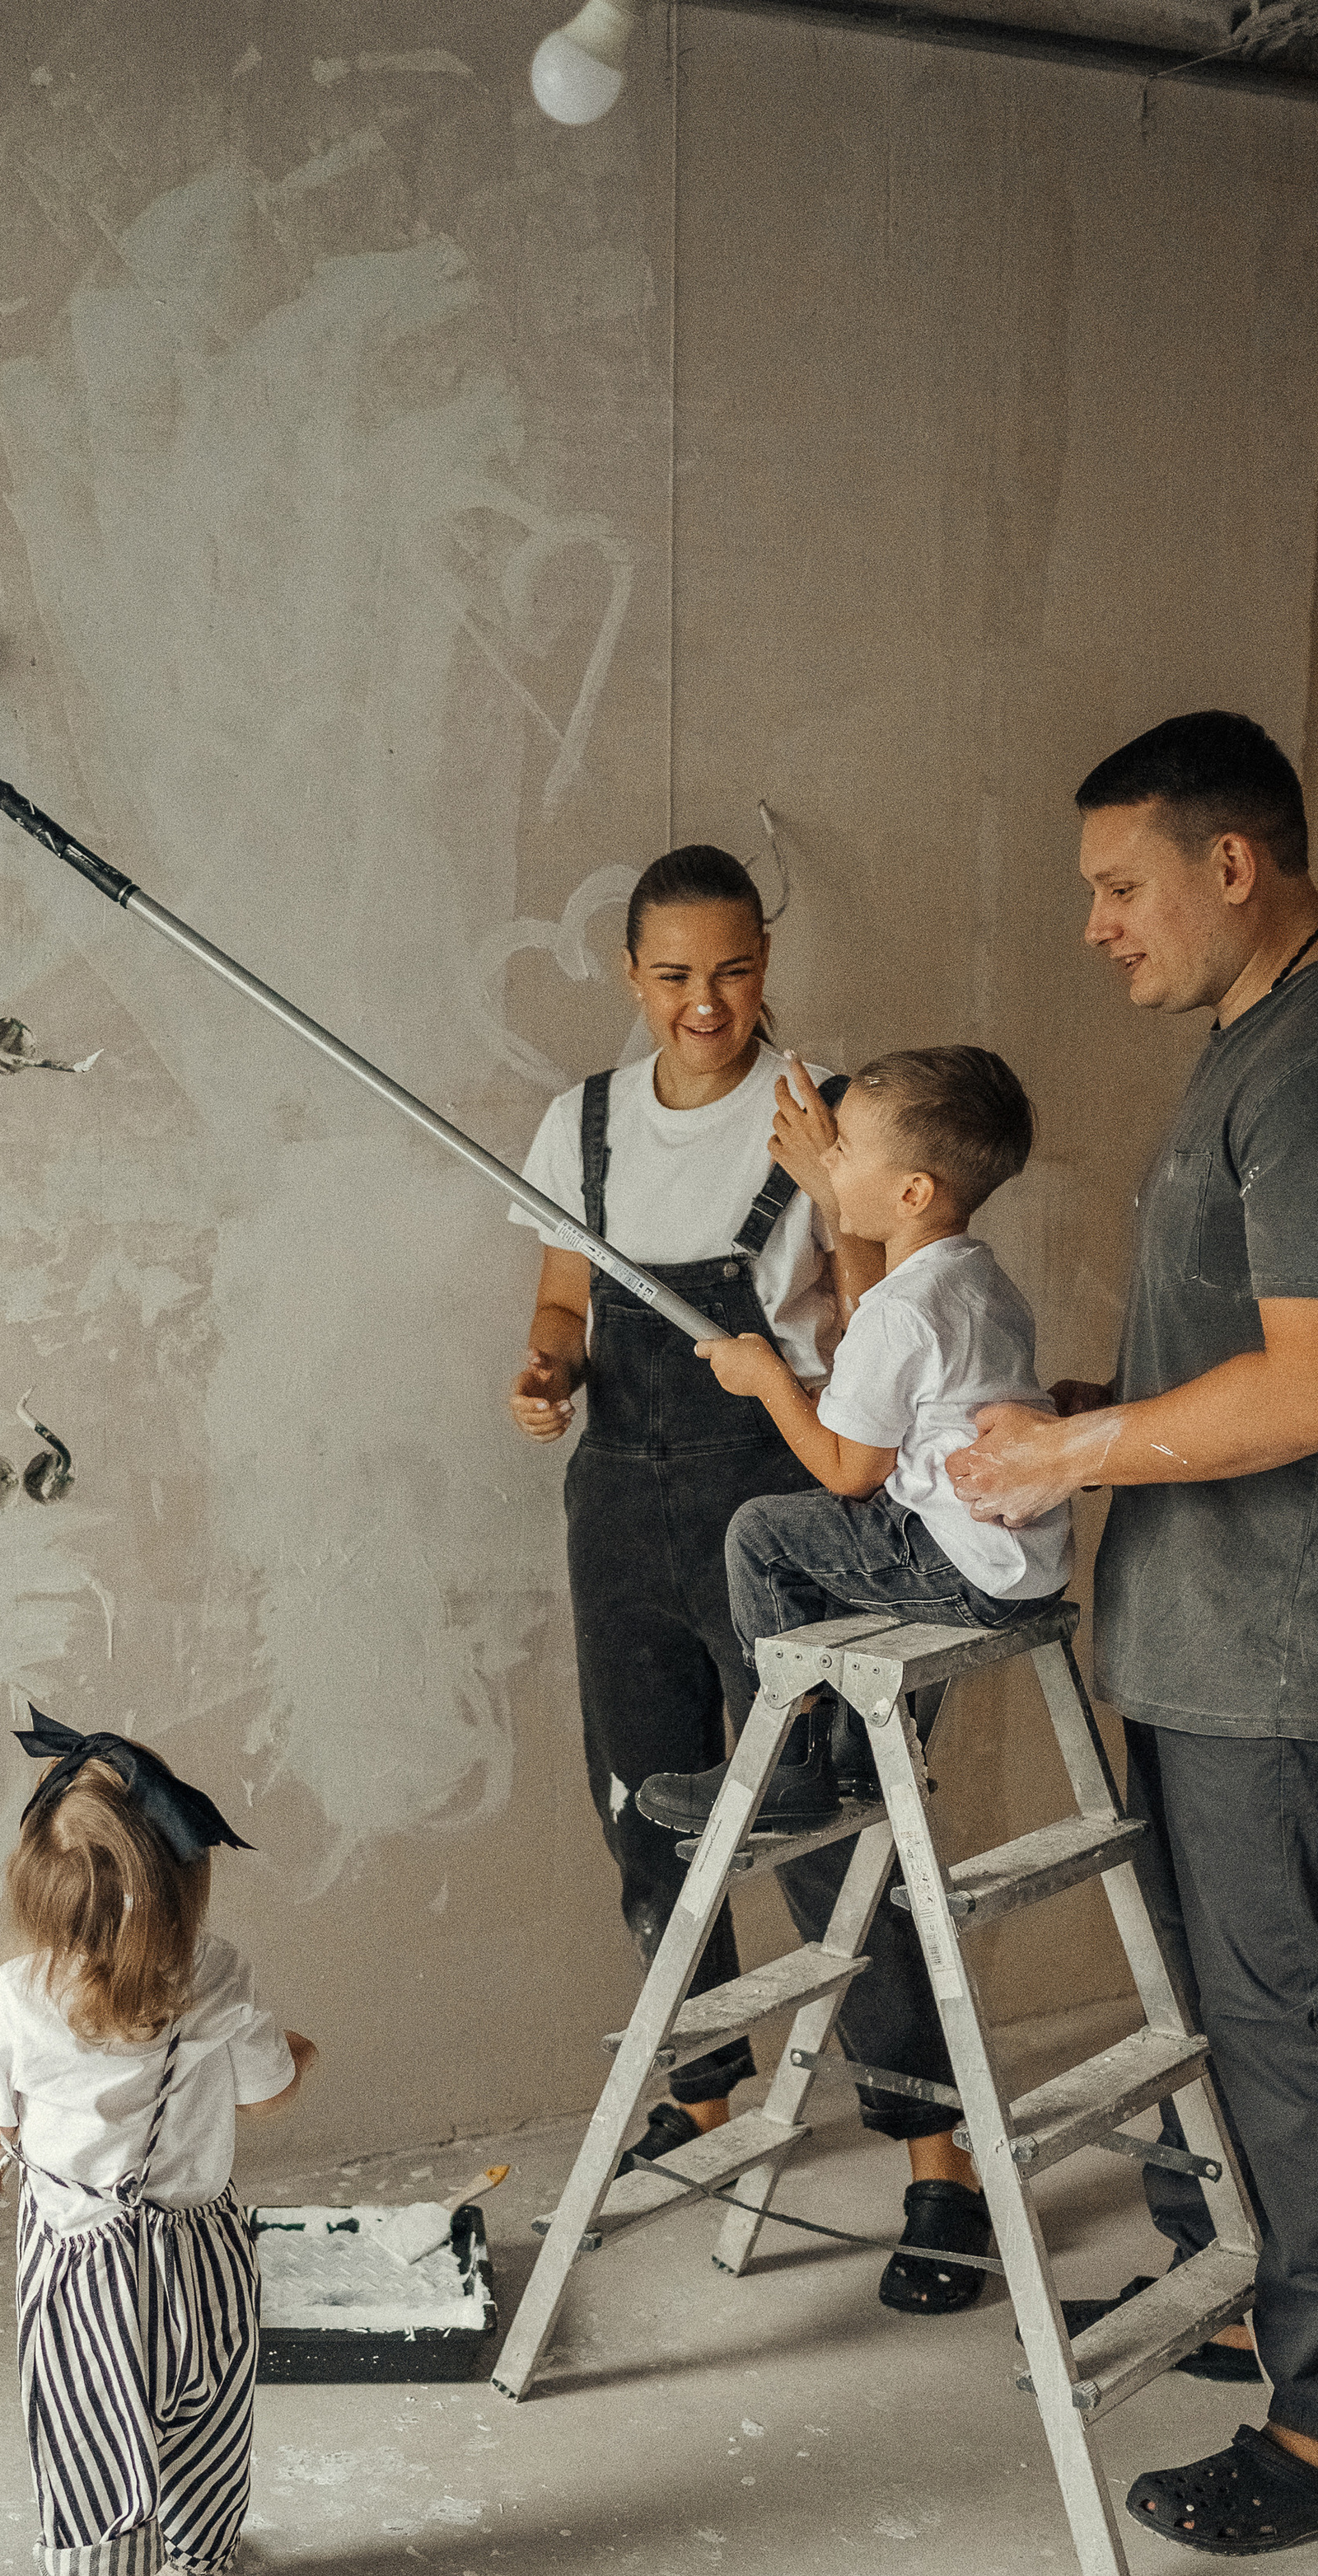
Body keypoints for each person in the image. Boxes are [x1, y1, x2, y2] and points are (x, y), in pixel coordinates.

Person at [948, 710, 1318, 2559]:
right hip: (1223, 1645)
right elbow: (1249, 1360)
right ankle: (1306, 2334)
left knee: (1291, 2034)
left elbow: (1316, 1387)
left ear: (1230, 862)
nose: (1098, 926)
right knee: (1269, 2024)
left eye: (1118, 888)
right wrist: (1103, 1403)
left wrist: (1070, 1450)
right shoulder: (1254, 1047)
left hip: (1281, 1659)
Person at [507, 847, 996, 2314]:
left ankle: (938, 2164)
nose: (705, 1002)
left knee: (846, 1828)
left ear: (766, 958)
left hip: (781, 1507)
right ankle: (708, 2092)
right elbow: (558, 1292)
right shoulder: (579, 1122)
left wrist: (828, 1207)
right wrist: (544, 1369)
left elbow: (874, 1323)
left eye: (732, 969)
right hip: (620, 1508)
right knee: (649, 1815)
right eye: (673, 975)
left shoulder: (834, 1116)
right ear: (630, 974)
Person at [630, 1045, 1070, 2302]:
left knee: (766, 1533)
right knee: (810, 1541)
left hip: (950, 1559)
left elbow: (844, 1471)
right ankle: (822, 1750)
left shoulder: (896, 1309)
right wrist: (835, 1200)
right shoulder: (967, 1272)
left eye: (854, 1156)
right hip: (1019, 1559)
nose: (834, 1170)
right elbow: (880, 1309)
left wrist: (768, 1372)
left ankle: (794, 1752)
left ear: (916, 1188)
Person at [0, 1708, 315, 2576]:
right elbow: (266, 2093)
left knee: (93, 2434)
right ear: (184, 1883)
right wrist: (301, 2054)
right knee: (204, 2406)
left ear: (36, 1895)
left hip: (81, 2260)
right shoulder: (219, 1972)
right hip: (202, 2246)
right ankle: (199, 2575)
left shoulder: (15, 1999)